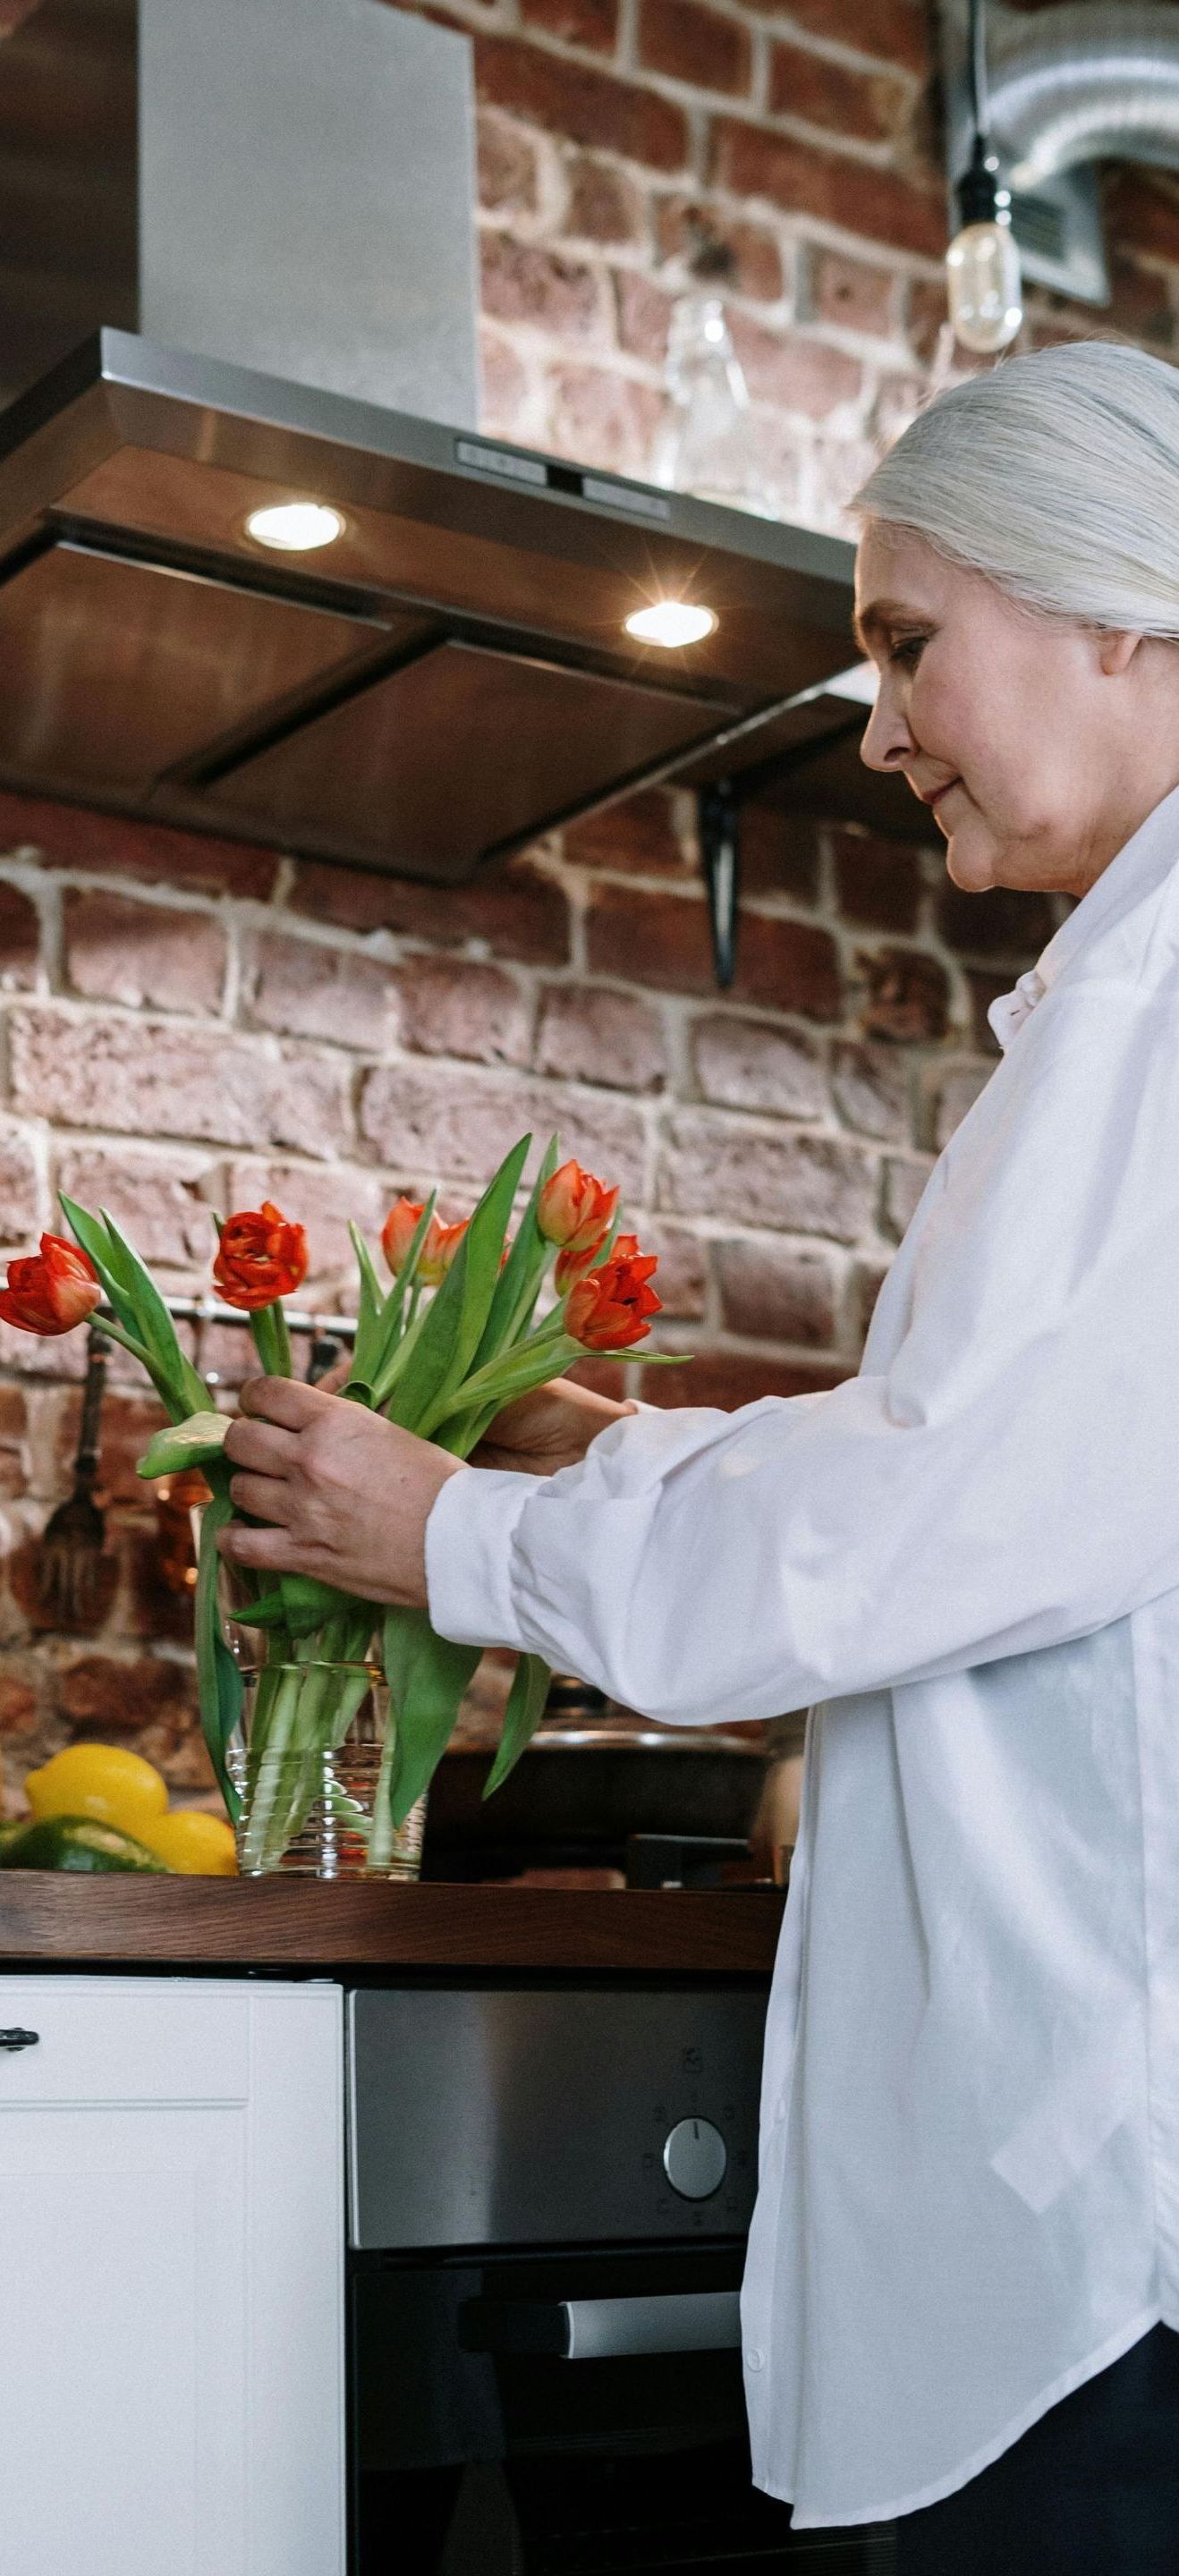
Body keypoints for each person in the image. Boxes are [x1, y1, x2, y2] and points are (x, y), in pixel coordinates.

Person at [219, 339, 1179, 2568]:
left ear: (1124, 605)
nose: (874, 726)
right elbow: (993, 1482)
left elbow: (914, 1530)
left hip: (1103, 2228)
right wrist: (614, 1451)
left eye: (907, 642)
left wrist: (458, 1532)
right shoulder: (1111, 1012)